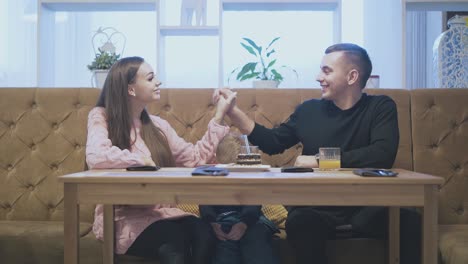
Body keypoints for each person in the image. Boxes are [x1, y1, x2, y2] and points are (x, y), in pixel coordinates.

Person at [217, 43, 421, 264]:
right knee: (300, 224)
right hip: (316, 207)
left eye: (327, 71)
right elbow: (273, 142)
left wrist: (319, 160)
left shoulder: (381, 107)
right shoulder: (309, 110)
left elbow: (382, 154)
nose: (318, 77)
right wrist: (233, 112)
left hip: (367, 206)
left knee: (411, 223)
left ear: (352, 76)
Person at [85, 56, 236, 264]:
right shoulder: (101, 116)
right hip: (121, 219)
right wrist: (142, 160)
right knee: (173, 242)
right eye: (150, 78)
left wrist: (219, 115)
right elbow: (96, 155)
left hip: (163, 214)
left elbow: (195, 159)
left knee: (204, 234)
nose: (158, 82)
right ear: (130, 89)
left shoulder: (158, 126)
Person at [199, 134, 280, 264]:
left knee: (256, 241)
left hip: (252, 219)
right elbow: (204, 203)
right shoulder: (209, 176)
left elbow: (254, 202)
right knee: (225, 247)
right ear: (216, 161)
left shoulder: (251, 173)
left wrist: (244, 223)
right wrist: (212, 223)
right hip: (221, 222)